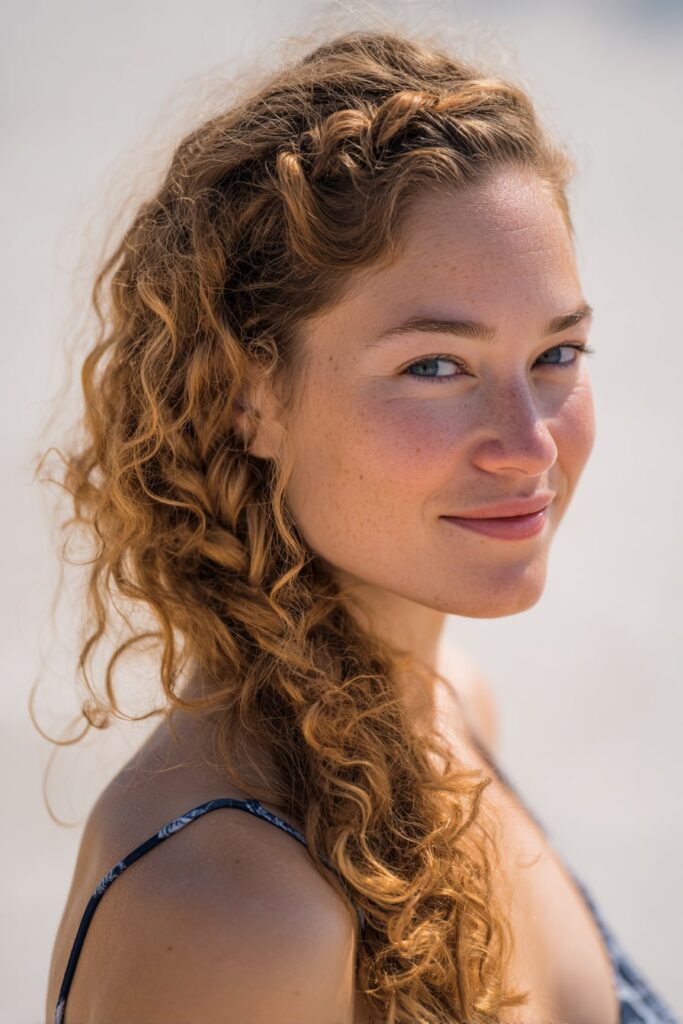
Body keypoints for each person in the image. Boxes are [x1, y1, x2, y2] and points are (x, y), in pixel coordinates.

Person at [42, 27, 679, 1024]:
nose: (528, 446)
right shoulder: (236, 913)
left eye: (556, 352)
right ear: (245, 394)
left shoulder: (449, 708)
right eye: (435, 365)